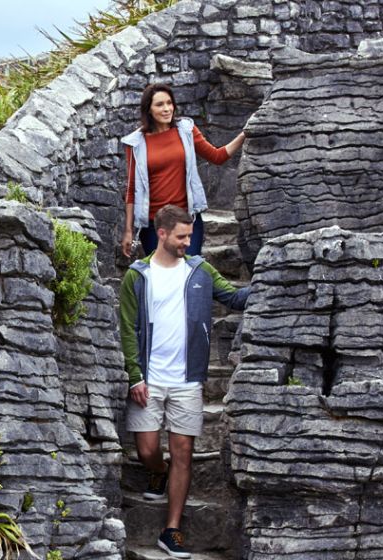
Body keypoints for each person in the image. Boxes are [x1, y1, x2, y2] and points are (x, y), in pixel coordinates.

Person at [119, 205, 251, 558]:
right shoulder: (137, 275)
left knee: (184, 453)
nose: (187, 243)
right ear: (161, 234)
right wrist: (135, 376)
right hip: (148, 378)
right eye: (181, 237)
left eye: (190, 236)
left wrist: (278, 277)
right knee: (147, 450)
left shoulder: (200, 270)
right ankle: (156, 472)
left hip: (187, 381)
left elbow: (234, 297)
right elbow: (128, 330)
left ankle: (171, 530)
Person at [119, 83, 247, 260]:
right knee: (163, 278)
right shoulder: (136, 143)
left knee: (189, 272)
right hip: (153, 225)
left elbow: (217, 156)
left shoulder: (186, 130)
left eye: (169, 103)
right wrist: (128, 230)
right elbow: (131, 189)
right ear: (148, 110)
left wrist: (245, 134)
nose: (166, 109)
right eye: (159, 105)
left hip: (187, 219)